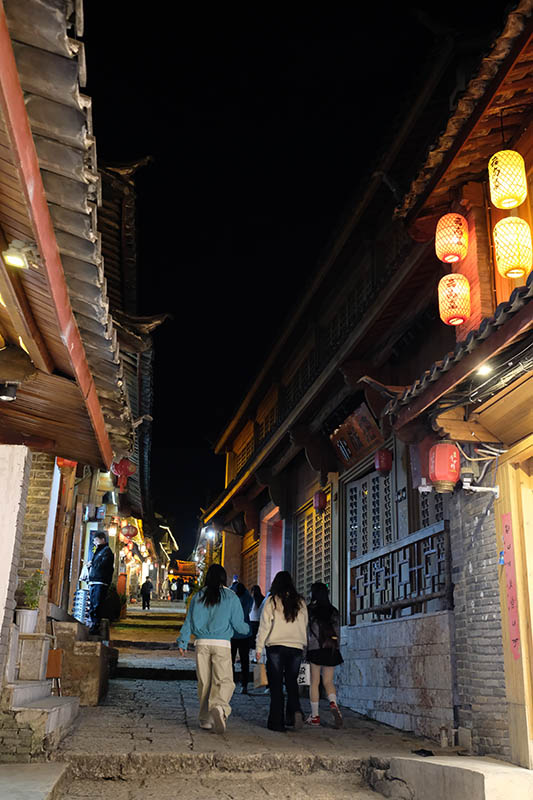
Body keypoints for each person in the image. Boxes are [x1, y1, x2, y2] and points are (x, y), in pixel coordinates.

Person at [177, 564, 249, 734]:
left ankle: (205, 719)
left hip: (201, 643)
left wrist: (183, 641)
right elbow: (239, 625)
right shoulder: (231, 597)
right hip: (222, 644)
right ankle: (219, 707)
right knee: (224, 680)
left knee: (204, 682)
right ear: (224, 578)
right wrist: (249, 629)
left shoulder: (198, 596)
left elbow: (189, 621)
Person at [255, 571, 307, 732]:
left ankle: (277, 722)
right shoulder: (300, 602)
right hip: (296, 647)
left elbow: (264, 625)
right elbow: (304, 623)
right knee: (292, 682)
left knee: (276, 685)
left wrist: (258, 647)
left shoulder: (272, 601)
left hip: (276, 646)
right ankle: (295, 711)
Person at [306, 581, 344, 728]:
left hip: (315, 649)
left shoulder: (310, 611)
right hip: (331, 650)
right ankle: (333, 704)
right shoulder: (333, 611)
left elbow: (306, 632)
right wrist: (337, 649)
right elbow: (337, 634)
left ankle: (315, 716)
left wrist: (305, 651)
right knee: (328, 681)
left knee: (314, 682)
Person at [87, 532, 114, 635]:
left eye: (96, 540)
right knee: (93, 604)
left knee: (97, 604)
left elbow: (104, 565)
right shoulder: (99, 551)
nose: (94, 542)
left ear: (102, 539)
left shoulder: (106, 552)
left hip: (100, 581)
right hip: (95, 580)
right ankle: (93, 624)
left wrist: (93, 564)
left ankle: (96, 625)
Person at [230, 583, 253, 694]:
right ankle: (244, 685)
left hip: (233, 633)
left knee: (230, 660)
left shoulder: (232, 599)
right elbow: (249, 610)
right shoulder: (248, 599)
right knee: (245, 661)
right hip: (245, 634)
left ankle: (231, 682)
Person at [249, 584, 264, 650]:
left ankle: (252, 656)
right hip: (259, 622)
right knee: (257, 639)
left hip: (251, 622)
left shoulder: (251, 600)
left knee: (251, 641)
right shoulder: (263, 599)